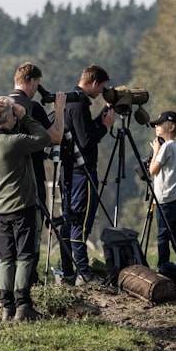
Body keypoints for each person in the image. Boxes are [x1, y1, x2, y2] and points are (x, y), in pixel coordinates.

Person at [0, 93, 63, 320]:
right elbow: (44, 138)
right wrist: (25, 118)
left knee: (5, 258)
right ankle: (24, 306)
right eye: (12, 117)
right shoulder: (14, 142)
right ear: (8, 118)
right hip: (22, 206)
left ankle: (7, 307)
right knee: (25, 256)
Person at [58, 64, 115, 284]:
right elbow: (86, 140)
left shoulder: (72, 100)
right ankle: (83, 271)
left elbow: (83, 130)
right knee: (80, 222)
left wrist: (102, 116)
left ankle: (68, 271)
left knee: (68, 220)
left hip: (68, 170)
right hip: (83, 171)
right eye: (101, 87)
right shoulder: (80, 102)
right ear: (93, 83)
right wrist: (105, 127)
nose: (101, 92)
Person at [8, 62, 63, 284]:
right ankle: (30, 277)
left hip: (8, 176)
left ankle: (10, 278)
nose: (36, 89)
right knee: (33, 226)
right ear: (31, 81)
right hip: (32, 175)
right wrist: (59, 109)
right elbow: (56, 136)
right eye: (37, 85)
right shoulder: (31, 108)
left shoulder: (1, 105)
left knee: (9, 229)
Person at [147, 110, 176, 272]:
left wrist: (156, 150)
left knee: (162, 236)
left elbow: (152, 170)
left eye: (159, 124)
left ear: (171, 127)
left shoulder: (166, 148)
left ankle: (163, 267)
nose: (156, 126)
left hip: (165, 199)